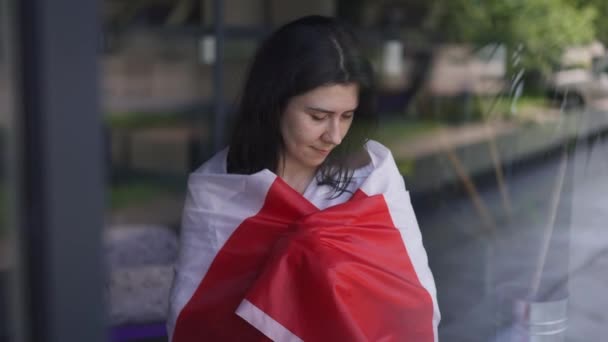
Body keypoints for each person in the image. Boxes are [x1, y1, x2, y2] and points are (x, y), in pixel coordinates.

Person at [167, 15, 440, 341]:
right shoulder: (219, 186)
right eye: (318, 117)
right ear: (274, 103)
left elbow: (413, 302)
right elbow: (194, 317)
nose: (335, 136)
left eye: (347, 116)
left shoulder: (372, 176)